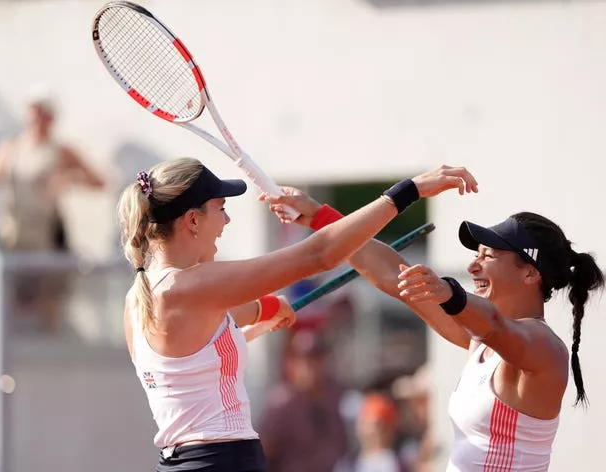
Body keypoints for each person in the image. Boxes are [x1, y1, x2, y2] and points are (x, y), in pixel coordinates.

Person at [117, 158, 476, 471]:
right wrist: (407, 191)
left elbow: (220, 331)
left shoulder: (143, 297)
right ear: (192, 220)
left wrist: (269, 308)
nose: (226, 221)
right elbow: (318, 256)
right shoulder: (190, 286)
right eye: (221, 208)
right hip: (220, 461)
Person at [265, 179, 603, 471]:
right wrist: (321, 217)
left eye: (488, 255)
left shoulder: (544, 348)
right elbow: (389, 273)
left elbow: (497, 324)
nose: (473, 265)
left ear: (530, 272)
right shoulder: (481, 340)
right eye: (477, 254)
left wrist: (449, 293)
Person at [0, 92, 105, 332]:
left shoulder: (61, 151)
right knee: (9, 293)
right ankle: (5, 351)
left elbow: (99, 181)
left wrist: (69, 178)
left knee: (48, 294)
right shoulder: (9, 149)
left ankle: (48, 349)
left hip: (46, 236)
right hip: (14, 234)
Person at [258, 329, 347, 472]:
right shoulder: (281, 404)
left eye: (314, 359)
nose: (308, 367)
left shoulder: (334, 398)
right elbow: (261, 456)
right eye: (302, 360)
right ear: (290, 364)